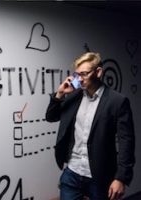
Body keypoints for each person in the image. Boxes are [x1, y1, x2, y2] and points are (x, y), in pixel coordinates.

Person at [45, 52, 135, 200]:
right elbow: (51, 117)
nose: (79, 79)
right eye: (77, 74)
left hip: (100, 176)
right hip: (72, 173)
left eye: (84, 74)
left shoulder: (117, 101)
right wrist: (60, 93)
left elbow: (127, 142)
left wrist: (121, 178)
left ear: (98, 72)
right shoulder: (74, 96)